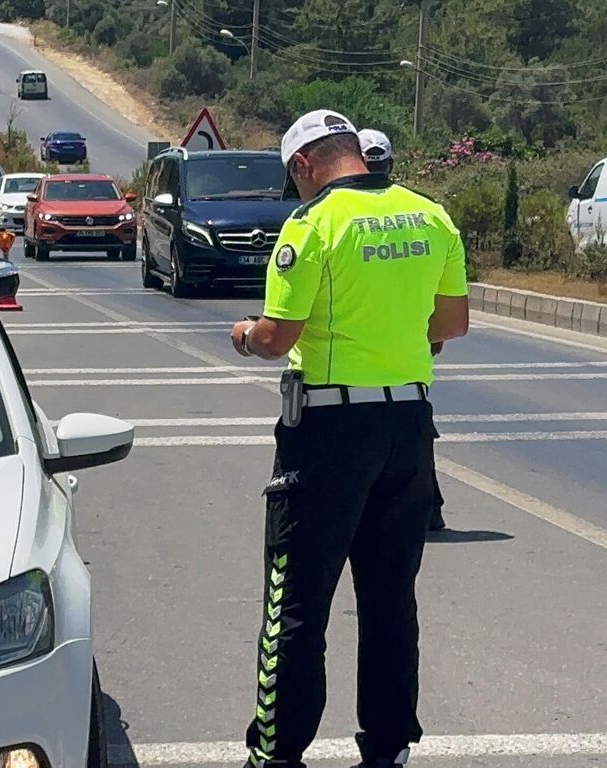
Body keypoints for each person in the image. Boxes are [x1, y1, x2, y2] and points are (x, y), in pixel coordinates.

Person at [228, 109, 469, 768]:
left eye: (292, 178)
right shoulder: (430, 215)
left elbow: (278, 339)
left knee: (296, 601)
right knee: (391, 600)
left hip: (329, 433)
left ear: (304, 164)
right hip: (409, 430)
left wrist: (246, 334)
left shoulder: (311, 227)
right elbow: (451, 325)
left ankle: (276, 754)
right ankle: (387, 749)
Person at [357, 127, 449, 533]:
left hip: (353, 353)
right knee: (412, 428)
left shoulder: (336, 212)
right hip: (412, 347)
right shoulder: (425, 211)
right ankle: (427, 506)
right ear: (390, 165)